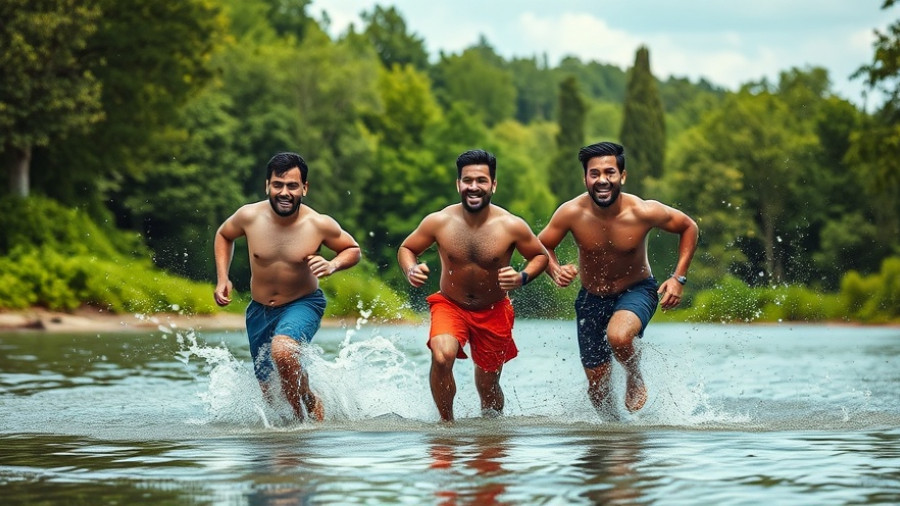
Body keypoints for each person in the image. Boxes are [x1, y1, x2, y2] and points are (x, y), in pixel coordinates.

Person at [538, 141, 698, 414]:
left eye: (610, 172)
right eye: (595, 173)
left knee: (619, 336)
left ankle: (634, 375)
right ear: (585, 178)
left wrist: (678, 278)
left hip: (637, 290)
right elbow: (541, 245)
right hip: (591, 299)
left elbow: (689, 227)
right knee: (597, 389)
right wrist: (554, 270)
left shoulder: (643, 211)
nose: (602, 180)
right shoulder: (571, 213)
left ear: (622, 176)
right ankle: (614, 434)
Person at [397, 149, 549, 422]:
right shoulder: (439, 221)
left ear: (493, 185)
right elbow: (407, 248)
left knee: (488, 385)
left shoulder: (511, 225)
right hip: (450, 305)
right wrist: (411, 269)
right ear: (458, 184)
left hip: (494, 310)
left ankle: (491, 434)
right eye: (467, 180)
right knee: (442, 356)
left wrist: (522, 277)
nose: (474, 187)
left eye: (481, 180)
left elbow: (540, 255)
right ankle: (447, 426)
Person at [213, 152, 361, 421]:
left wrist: (332, 265)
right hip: (259, 311)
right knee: (270, 391)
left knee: (282, 350)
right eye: (277, 185)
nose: (284, 192)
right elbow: (224, 234)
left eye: (292, 186)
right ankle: (308, 401)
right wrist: (223, 278)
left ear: (304, 188)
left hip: (303, 303)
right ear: (267, 185)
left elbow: (352, 249)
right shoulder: (248, 216)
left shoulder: (318, 223)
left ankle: (301, 423)